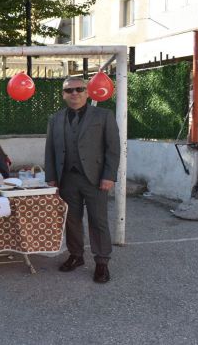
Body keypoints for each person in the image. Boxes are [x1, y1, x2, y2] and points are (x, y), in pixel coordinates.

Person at [44, 76, 120, 284]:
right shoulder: (55, 119)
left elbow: (112, 148)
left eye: (79, 89)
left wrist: (109, 175)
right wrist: (51, 177)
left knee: (98, 220)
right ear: (63, 95)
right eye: (69, 91)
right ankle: (76, 255)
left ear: (87, 92)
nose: (74, 93)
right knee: (72, 220)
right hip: (67, 178)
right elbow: (50, 150)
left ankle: (102, 262)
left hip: (95, 179)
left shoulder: (104, 115)